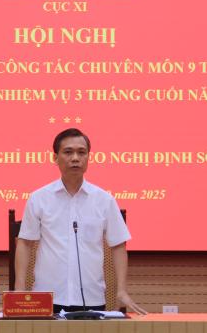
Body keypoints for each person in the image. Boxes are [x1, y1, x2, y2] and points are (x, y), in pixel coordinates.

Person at [15, 128, 147, 315]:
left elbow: (118, 245)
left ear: (88, 157)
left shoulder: (104, 199)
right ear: (55, 158)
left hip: (91, 298)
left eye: (81, 152)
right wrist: (19, 290)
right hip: (47, 297)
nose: (75, 158)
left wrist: (121, 290)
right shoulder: (39, 198)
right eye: (68, 152)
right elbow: (25, 243)